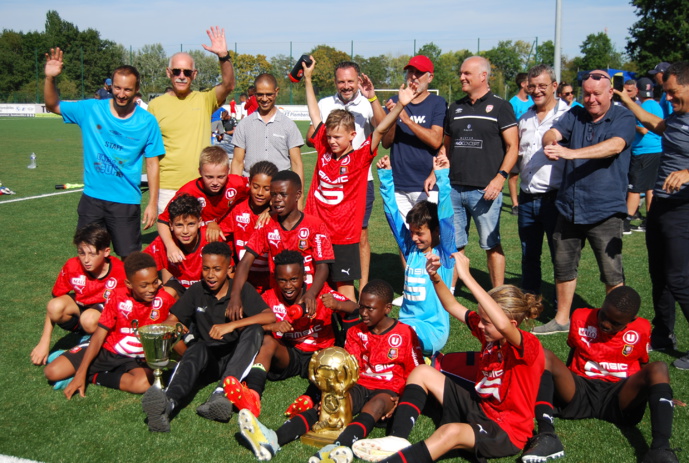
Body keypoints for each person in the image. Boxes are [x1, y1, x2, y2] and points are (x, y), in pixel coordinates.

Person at [352, 252, 544, 463]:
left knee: (451, 432)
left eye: (486, 322)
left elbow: (503, 325)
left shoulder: (528, 345)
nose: (480, 325)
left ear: (512, 325)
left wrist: (467, 278)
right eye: (480, 320)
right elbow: (452, 305)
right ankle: (397, 438)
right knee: (423, 371)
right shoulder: (489, 335)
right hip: (480, 408)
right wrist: (435, 276)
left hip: (506, 431)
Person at [238, 279, 424, 463]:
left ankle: (336, 449)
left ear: (387, 308)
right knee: (329, 405)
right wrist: (333, 394)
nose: (364, 313)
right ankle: (273, 439)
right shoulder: (355, 332)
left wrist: (402, 397)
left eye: (370, 308)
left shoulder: (404, 333)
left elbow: (416, 371)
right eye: (361, 307)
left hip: (388, 390)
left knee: (374, 407)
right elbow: (351, 368)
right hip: (359, 384)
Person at [302, 56, 421, 302]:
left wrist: (400, 106)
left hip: (344, 234)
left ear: (352, 136)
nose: (332, 141)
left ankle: (352, 331)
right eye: (330, 137)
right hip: (317, 229)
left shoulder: (359, 159)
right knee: (315, 283)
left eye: (338, 137)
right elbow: (314, 114)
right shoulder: (324, 149)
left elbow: (379, 131)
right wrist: (308, 79)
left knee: (346, 291)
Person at [521, 286, 677, 463]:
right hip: (580, 390)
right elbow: (573, 351)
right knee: (545, 355)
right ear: (602, 305)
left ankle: (660, 449)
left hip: (619, 397)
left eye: (615, 323)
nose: (605, 324)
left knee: (660, 368)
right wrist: (558, 383)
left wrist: (661, 394)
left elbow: (644, 366)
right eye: (603, 315)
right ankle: (546, 435)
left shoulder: (641, 328)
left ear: (631, 320)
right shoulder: (581, 317)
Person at [533, 70, 635, 335]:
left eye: (597, 94)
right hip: (569, 206)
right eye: (587, 93)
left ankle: (617, 323)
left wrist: (570, 153)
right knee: (563, 266)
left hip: (605, 208)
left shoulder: (622, 116)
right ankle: (562, 319)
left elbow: (615, 146)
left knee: (611, 273)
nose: (591, 99)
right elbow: (551, 132)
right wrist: (551, 143)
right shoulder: (575, 114)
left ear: (610, 92)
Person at [141, 242, 273, 431]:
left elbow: (269, 316)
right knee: (198, 348)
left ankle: (221, 394)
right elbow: (171, 320)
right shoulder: (196, 290)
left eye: (217, 269)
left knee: (255, 330)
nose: (210, 275)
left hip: (236, 359)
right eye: (206, 269)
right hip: (208, 359)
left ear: (229, 269)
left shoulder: (241, 289)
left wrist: (231, 325)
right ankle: (167, 403)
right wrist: (177, 326)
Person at [44, 49, 163, 258]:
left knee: (130, 258)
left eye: (127, 89)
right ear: (111, 86)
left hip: (126, 201)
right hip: (92, 198)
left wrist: (152, 203)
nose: (121, 94)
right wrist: (50, 78)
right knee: (88, 254)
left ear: (136, 90)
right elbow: (53, 105)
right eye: (117, 87)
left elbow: (153, 164)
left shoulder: (147, 122)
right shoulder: (91, 109)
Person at [614, 61, 689, 365]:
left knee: (679, 277)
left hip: (683, 209)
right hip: (660, 205)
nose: (667, 99)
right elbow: (658, 125)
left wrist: (688, 172)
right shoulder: (677, 116)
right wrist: (627, 100)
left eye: (672, 93)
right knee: (658, 274)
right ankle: (662, 333)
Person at [223, 250, 357, 418]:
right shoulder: (269, 297)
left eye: (293, 279)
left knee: (331, 363)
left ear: (303, 277)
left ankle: (308, 400)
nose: (288, 286)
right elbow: (247, 329)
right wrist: (271, 327)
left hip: (320, 354)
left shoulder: (322, 293)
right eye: (282, 280)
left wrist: (337, 305)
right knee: (267, 342)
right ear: (275, 278)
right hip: (290, 355)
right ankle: (253, 396)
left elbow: (357, 310)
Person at [44, 252, 176, 399]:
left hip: (136, 359)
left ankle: (92, 377)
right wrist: (79, 373)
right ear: (129, 284)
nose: (151, 289)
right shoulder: (117, 296)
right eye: (144, 285)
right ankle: (79, 361)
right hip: (108, 349)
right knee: (52, 372)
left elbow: (175, 323)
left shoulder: (164, 298)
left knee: (143, 384)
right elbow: (99, 335)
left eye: (155, 282)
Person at [305, 60, 386, 296]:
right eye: (341, 81)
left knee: (357, 235)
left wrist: (380, 100)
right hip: (330, 181)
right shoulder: (326, 105)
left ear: (359, 80)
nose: (346, 85)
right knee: (324, 237)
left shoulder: (368, 102)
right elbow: (314, 121)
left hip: (359, 180)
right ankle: (331, 284)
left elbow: (383, 130)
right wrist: (308, 79)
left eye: (351, 81)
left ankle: (362, 287)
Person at [445, 56, 519, 288]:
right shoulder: (455, 107)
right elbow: (445, 148)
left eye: (467, 73)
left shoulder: (500, 106)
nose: (461, 77)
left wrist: (500, 178)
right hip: (454, 188)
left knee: (491, 244)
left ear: (483, 76)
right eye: (461, 73)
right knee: (454, 245)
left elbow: (513, 147)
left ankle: (498, 294)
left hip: (485, 190)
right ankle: (451, 291)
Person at [148, 26, 235, 213]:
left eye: (187, 72)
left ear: (194, 75)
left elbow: (228, 85)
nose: (181, 76)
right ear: (168, 72)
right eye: (177, 71)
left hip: (199, 184)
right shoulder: (155, 106)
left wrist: (223, 56)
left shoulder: (205, 100)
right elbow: (150, 153)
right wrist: (152, 198)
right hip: (167, 187)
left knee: (200, 238)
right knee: (170, 237)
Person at [228, 170, 335, 320]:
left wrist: (311, 293)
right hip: (279, 297)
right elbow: (245, 262)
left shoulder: (315, 225)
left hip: (310, 292)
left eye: (283, 195)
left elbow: (323, 266)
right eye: (273, 194)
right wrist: (235, 296)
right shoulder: (266, 225)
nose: (277, 199)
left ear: (297, 195)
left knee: (347, 308)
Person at [378, 151, 454, 355]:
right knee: (374, 335)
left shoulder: (445, 254)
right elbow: (393, 215)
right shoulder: (411, 249)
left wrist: (442, 176)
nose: (413, 238)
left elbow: (446, 215)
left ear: (436, 231)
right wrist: (386, 178)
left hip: (432, 330)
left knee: (396, 346)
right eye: (411, 232)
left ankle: (426, 362)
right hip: (404, 324)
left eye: (419, 233)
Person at [31, 223, 126, 366]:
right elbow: (55, 300)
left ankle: (94, 344)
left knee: (89, 319)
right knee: (55, 306)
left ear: (106, 252)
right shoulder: (72, 266)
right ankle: (86, 338)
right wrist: (44, 342)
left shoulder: (120, 271)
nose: (86, 260)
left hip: (104, 315)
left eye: (92, 254)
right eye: (81, 253)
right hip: (82, 309)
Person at [516, 64, 571, 296]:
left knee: (561, 255)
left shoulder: (569, 115)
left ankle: (561, 308)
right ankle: (531, 300)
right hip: (527, 197)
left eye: (542, 86)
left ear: (555, 86)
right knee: (529, 254)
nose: (537, 91)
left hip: (555, 198)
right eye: (533, 86)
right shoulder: (525, 118)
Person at [156, 146, 249, 261]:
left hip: (226, 237)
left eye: (221, 177)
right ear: (200, 172)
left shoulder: (236, 183)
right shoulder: (188, 192)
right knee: (162, 245)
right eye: (209, 177)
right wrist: (170, 246)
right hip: (198, 240)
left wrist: (267, 210)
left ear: (228, 171)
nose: (215, 182)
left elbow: (260, 190)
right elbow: (163, 221)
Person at [231, 74, 304, 208]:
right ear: (254, 94)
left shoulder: (288, 125)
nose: (264, 99)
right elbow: (237, 162)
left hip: (281, 195)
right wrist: (234, 193)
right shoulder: (245, 124)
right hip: (252, 194)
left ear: (277, 91)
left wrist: (299, 198)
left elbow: (296, 163)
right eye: (260, 94)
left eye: (269, 94)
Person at [219, 160, 279, 294]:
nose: (260, 193)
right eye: (256, 186)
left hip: (270, 282)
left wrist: (273, 210)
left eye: (267, 188)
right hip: (242, 278)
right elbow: (222, 237)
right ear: (249, 183)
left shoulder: (280, 214)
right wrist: (229, 264)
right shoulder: (238, 209)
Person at [144, 194, 208, 298]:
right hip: (179, 287)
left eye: (191, 224)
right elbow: (140, 264)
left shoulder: (210, 238)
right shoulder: (163, 242)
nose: (185, 231)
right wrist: (154, 281)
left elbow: (228, 270)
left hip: (207, 289)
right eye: (179, 225)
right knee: (164, 296)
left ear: (199, 222)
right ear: (170, 224)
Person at [623, 77, 663, 234]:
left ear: (637, 91)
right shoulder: (656, 105)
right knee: (650, 187)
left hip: (644, 151)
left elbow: (644, 129)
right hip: (656, 150)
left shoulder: (644, 106)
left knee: (635, 187)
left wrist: (628, 124)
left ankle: (626, 221)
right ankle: (650, 219)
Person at [508, 72, 535, 215]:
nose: (532, 86)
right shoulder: (513, 102)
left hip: (530, 145)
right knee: (514, 175)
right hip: (515, 144)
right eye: (529, 83)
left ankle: (527, 200)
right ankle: (515, 204)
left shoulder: (533, 101)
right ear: (523, 84)